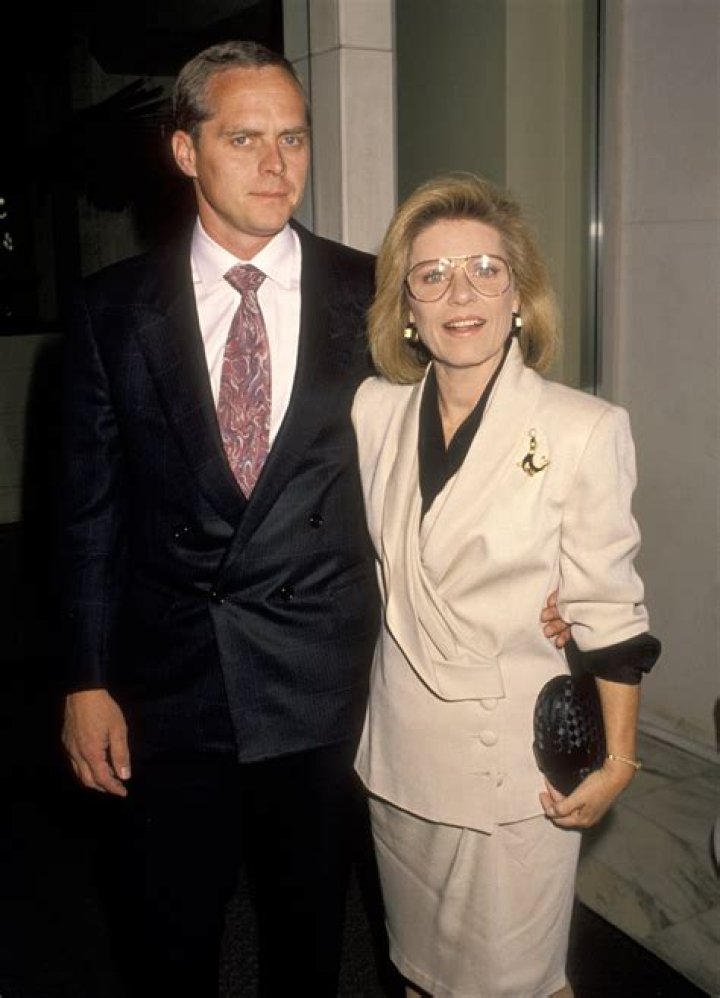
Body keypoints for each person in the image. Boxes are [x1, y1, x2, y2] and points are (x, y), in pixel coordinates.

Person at [58, 42, 570, 998]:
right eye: (244, 138)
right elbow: (87, 514)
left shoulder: (374, 291)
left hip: (325, 676)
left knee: (309, 939)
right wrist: (85, 678)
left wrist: (549, 578)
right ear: (185, 150)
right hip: (169, 681)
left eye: (292, 138)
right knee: (169, 937)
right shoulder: (111, 310)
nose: (275, 164)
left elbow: (473, 437)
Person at [351, 172, 661, 998]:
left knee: (518, 981)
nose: (461, 294)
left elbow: (608, 608)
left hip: (512, 774)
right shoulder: (372, 412)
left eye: (485, 270)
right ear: (406, 307)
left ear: (519, 294)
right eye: (432, 274)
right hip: (402, 758)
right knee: (420, 974)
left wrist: (619, 759)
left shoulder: (583, 429)